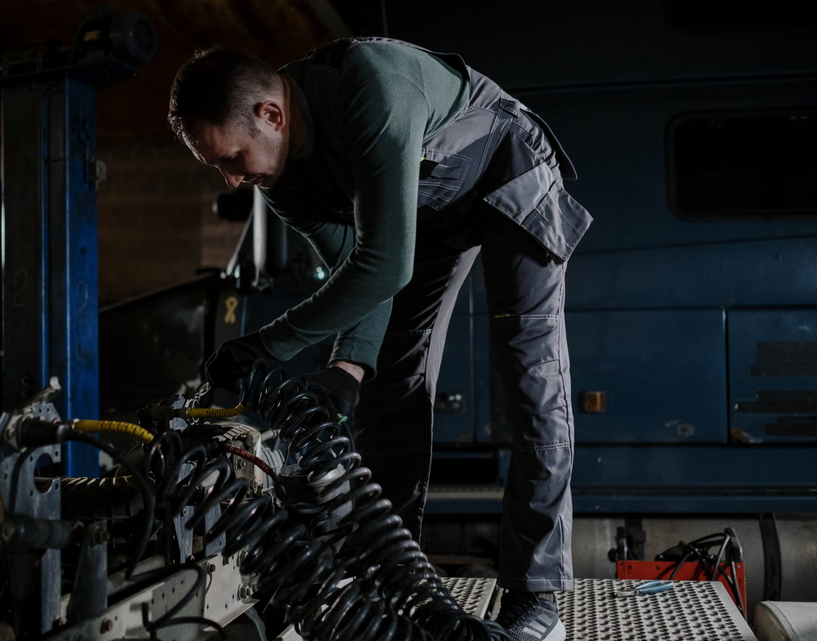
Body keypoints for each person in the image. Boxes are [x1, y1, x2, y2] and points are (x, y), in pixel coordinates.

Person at [168, 37, 591, 641]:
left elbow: (386, 265)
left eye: (232, 158)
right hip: (430, 210)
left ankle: (536, 597)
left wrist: (266, 346)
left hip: (507, 169)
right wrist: (348, 368)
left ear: (271, 115)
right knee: (391, 384)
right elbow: (358, 270)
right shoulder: (282, 178)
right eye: (219, 167)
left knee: (531, 382)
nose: (233, 180)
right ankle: (393, 579)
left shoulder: (371, 89)